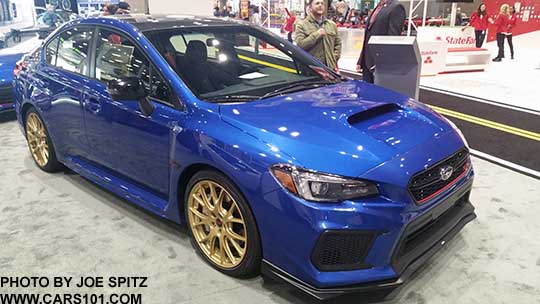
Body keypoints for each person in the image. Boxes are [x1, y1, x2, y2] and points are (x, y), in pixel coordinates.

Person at [356, 0, 406, 83]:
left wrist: (382, 61)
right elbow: (368, 36)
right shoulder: (378, 6)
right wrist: (361, 60)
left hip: (380, 64)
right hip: (367, 62)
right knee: (367, 93)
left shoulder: (396, 7)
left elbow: (392, 39)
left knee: (378, 93)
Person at [294, 0, 342, 71]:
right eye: (317, 3)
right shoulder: (302, 25)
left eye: (322, 3)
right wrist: (317, 34)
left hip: (329, 68)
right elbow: (300, 45)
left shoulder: (332, 25)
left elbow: (338, 44)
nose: (320, 5)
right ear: (310, 8)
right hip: (310, 69)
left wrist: (333, 58)